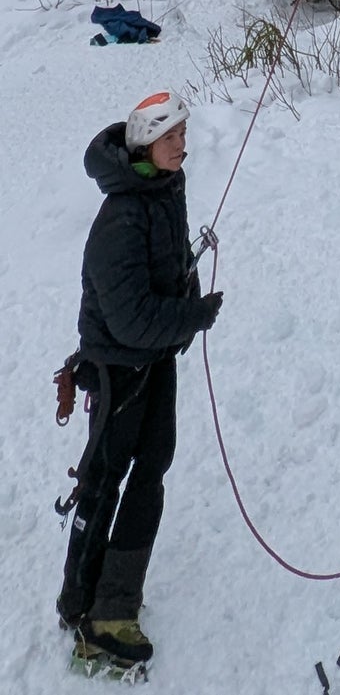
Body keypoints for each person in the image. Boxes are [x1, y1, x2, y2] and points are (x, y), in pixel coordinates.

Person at [58, 90, 223, 672]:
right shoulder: (121, 215)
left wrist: (187, 291)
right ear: (146, 145)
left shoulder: (161, 190)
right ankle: (87, 607)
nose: (184, 144)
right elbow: (130, 317)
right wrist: (192, 317)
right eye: (172, 136)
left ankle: (116, 597)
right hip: (119, 365)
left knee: (150, 470)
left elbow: (166, 268)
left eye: (183, 133)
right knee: (104, 480)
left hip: (153, 361)